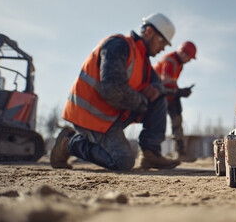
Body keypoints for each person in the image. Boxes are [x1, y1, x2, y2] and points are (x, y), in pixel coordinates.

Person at [50, 13, 181, 171]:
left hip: (111, 114)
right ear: (149, 32)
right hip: (90, 114)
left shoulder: (143, 61)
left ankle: (150, 154)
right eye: (162, 42)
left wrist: (155, 89)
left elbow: (157, 84)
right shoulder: (119, 45)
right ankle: (69, 142)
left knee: (159, 98)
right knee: (123, 161)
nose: (163, 48)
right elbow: (113, 91)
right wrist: (142, 100)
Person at [153, 41, 196, 161]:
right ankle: (153, 153)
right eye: (189, 58)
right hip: (158, 94)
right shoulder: (169, 61)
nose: (189, 61)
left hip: (171, 95)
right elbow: (163, 87)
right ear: (183, 53)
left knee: (177, 122)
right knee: (158, 123)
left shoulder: (179, 64)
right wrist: (180, 92)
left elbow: (171, 84)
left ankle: (180, 154)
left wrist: (180, 91)